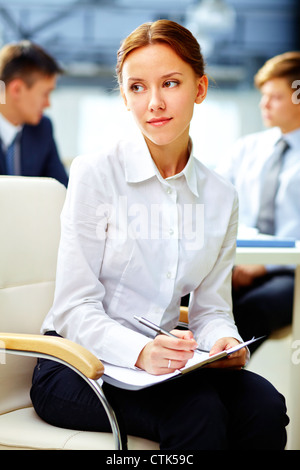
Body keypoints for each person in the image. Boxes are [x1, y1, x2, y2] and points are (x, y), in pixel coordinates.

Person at [30, 20, 288, 450]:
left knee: (263, 403)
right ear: (124, 96)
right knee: (197, 410)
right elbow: (74, 306)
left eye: (170, 83)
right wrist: (139, 351)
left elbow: (210, 311)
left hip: (164, 365)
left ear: (200, 89)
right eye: (136, 88)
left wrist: (223, 341)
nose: (154, 103)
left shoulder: (221, 196)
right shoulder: (96, 174)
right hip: (77, 364)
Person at [217, 52, 300, 352]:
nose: (263, 104)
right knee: (187, 298)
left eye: (275, 97)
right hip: (239, 266)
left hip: (292, 274)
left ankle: (221, 386)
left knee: (251, 310)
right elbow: (214, 207)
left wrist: (263, 265)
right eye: (263, 95)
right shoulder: (246, 149)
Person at [0, 40, 68, 186]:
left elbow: (62, 188)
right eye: (45, 94)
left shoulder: (42, 128)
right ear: (16, 90)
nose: (48, 104)